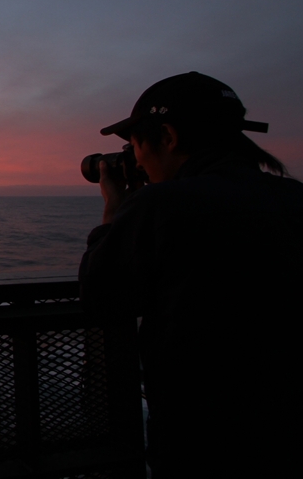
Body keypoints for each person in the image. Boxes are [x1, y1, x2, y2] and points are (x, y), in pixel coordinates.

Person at [79, 72, 303, 478]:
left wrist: (114, 210)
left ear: (167, 136)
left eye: (134, 146)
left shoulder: (162, 206)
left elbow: (102, 298)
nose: (137, 159)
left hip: (205, 435)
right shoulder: (294, 198)